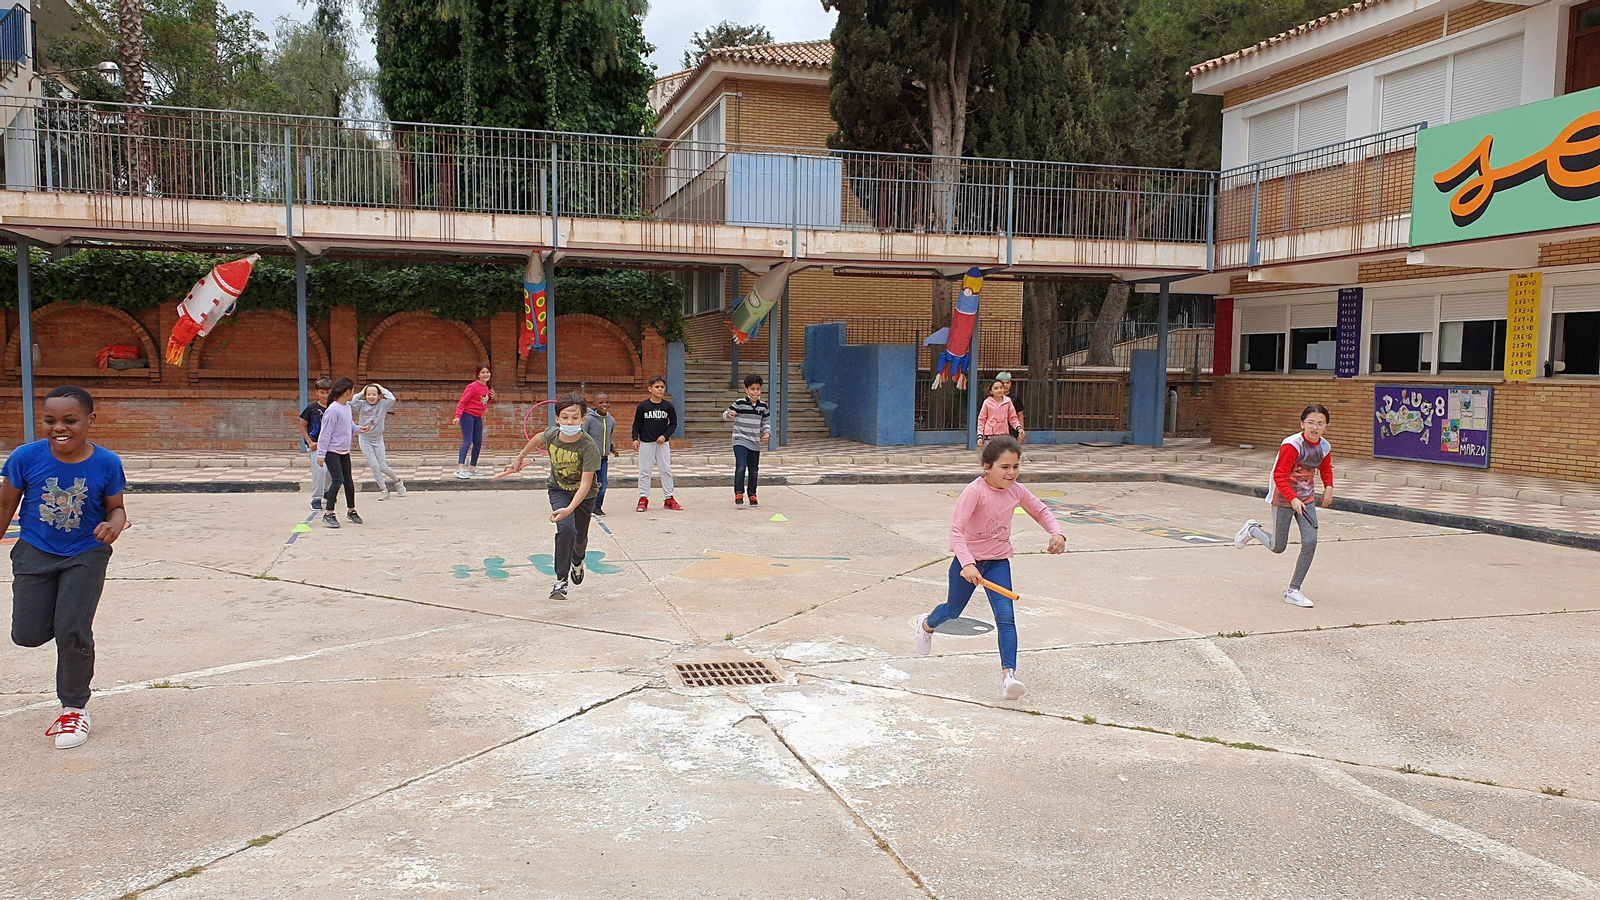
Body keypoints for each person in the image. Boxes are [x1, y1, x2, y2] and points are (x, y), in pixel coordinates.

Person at [1, 386, 128, 749]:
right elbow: (5, 505)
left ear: (90, 420)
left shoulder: (106, 462)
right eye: (50, 420)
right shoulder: (25, 458)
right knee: (26, 634)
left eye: (70, 420)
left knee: (72, 628)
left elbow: (116, 508)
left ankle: (74, 708)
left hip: (86, 552)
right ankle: (60, 625)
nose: (60, 428)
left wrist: (115, 524)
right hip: (35, 552)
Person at [912, 436, 1064, 701]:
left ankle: (1009, 677)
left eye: (1015, 466)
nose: (1012, 473)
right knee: (953, 610)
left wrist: (1057, 533)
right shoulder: (975, 491)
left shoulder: (1016, 490)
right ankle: (926, 625)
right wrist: (968, 564)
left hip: (997, 562)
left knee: (1006, 617)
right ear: (987, 467)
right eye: (1004, 467)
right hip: (966, 563)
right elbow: (956, 531)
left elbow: (1040, 511)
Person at [1234, 404, 1335, 608]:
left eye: (1320, 424)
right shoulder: (1292, 445)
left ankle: (1293, 590)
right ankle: (1252, 530)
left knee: (1310, 541)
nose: (1315, 427)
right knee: (1278, 546)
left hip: (1306, 499)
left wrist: (1329, 487)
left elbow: (1325, 467)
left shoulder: (1324, 446)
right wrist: (1292, 499)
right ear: (1302, 423)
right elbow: (1279, 475)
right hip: (1283, 498)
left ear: (1326, 426)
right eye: (1311, 422)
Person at [502, 393, 601, 601]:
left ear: (583, 420)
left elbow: (585, 484)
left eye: (575, 418)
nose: (569, 422)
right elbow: (538, 437)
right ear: (557, 419)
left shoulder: (589, 446)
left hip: (584, 495)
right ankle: (561, 581)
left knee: (580, 537)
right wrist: (519, 458)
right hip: (559, 489)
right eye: (565, 417)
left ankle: (578, 560)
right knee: (566, 529)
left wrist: (570, 509)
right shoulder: (553, 435)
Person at [315, 377, 362, 528]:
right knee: (338, 480)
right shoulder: (333, 410)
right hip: (332, 451)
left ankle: (352, 510)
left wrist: (361, 429)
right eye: (353, 391)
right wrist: (321, 454)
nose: (354, 394)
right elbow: (325, 434)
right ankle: (329, 513)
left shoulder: (346, 407)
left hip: (344, 451)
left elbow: (350, 426)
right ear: (347, 392)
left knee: (348, 480)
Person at [632, 375, 681, 512]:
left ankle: (669, 498)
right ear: (650, 389)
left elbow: (673, 424)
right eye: (656, 387)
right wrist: (635, 438)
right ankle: (643, 498)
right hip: (647, 442)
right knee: (644, 471)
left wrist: (665, 436)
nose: (660, 389)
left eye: (662, 387)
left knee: (665, 470)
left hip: (662, 443)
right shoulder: (643, 406)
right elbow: (637, 424)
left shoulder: (668, 406)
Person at [722, 374, 771, 507]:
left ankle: (752, 494)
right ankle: (738, 492)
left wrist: (767, 432)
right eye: (752, 389)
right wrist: (729, 414)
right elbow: (725, 413)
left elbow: (766, 422)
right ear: (747, 390)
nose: (755, 392)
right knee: (741, 466)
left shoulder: (763, 407)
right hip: (740, 439)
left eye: (758, 389)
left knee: (754, 470)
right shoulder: (739, 403)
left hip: (754, 441)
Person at [352, 383, 406, 501]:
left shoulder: (383, 405)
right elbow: (351, 402)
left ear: (378, 396)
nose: (371, 397)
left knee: (383, 466)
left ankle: (397, 481)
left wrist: (381, 388)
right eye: (368, 394)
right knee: (374, 465)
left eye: (374, 394)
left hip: (378, 438)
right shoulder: (361, 405)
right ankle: (383, 489)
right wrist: (361, 392)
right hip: (364, 439)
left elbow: (392, 398)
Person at [454, 366, 495, 479]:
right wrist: (458, 416)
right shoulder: (472, 387)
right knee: (467, 441)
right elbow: (463, 401)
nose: (486, 374)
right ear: (478, 375)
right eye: (483, 372)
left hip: (478, 417)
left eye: (487, 372)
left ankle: (472, 467)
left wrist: (492, 398)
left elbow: (482, 401)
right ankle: (460, 468)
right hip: (467, 416)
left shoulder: (486, 388)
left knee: (478, 442)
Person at [583, 392, 619, 517]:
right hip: (590, 459)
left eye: (607, 402)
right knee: (587, 484)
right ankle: (584, 506)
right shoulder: (588, 419)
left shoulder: (611, 420)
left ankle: (597, 508)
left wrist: (612, 447)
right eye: (601, 402)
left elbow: (608, 437)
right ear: (594, 404)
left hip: (603, 459)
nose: (605, 405)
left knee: (602, 484)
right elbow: (583, 436)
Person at [298, 377, 332, 509]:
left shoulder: (334, 407)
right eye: (322, 392)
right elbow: (302, 426)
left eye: (328, 392)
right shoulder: (311, 408)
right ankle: (316, 498)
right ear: (317, 393)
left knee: (330, 471)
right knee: (319, 471)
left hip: (331, 445)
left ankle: (327, 491)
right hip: (315, 445)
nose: (325, 395)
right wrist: (309, 442)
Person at [977, 378, 1023, 447]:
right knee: (991, 457)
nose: (999, 390)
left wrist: (1019, 428)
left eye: (1001, 388)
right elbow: (982, 420)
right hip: (990, 437)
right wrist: (980, 436)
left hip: (1004, 436)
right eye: (996, 388)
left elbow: (1013, 418)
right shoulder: (987, 402)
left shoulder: (1008, 401)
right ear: (991, 391)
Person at [997, 371, 1027, 441]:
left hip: (1012, 430)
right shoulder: (991, 399)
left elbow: (1019, 414)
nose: (1005, 385)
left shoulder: (1014, 398)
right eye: (1003, 383)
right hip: (996, 430)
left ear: (1010, 384)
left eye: (1007, 382)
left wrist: (1021, 431)